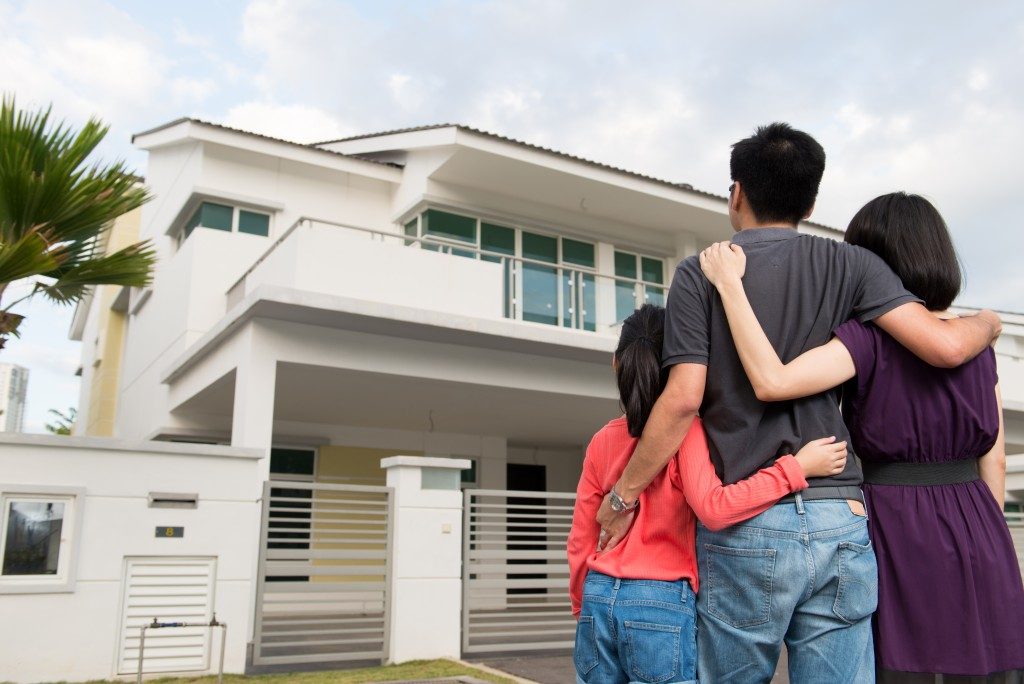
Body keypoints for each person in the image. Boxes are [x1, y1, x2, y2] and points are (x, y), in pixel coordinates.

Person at [594, 123, 1003, 683]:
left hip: (747, 522)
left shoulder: (700, 273)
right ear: (811, 202)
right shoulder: (854, 266)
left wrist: (623, 496)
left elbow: (684, 398)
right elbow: (944, 345)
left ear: (736, 192)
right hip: (840, 514)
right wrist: (989, 320)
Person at [698, 192, 1024, 683]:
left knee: (896, 665)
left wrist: (731, 288)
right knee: (982, 665)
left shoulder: (865, 339)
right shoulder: (979, 344)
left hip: (895, 521)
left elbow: (774, 381)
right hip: (978, 524)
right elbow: (993, 458)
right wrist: (982, 533)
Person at [567, 303, 851, 684]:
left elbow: (582, 537)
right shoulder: (688, 432)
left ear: (617, 364)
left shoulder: (603, 439)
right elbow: (715, 508)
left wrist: (583, 606)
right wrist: (795, 469)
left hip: (598, 596)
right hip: (660, 602)